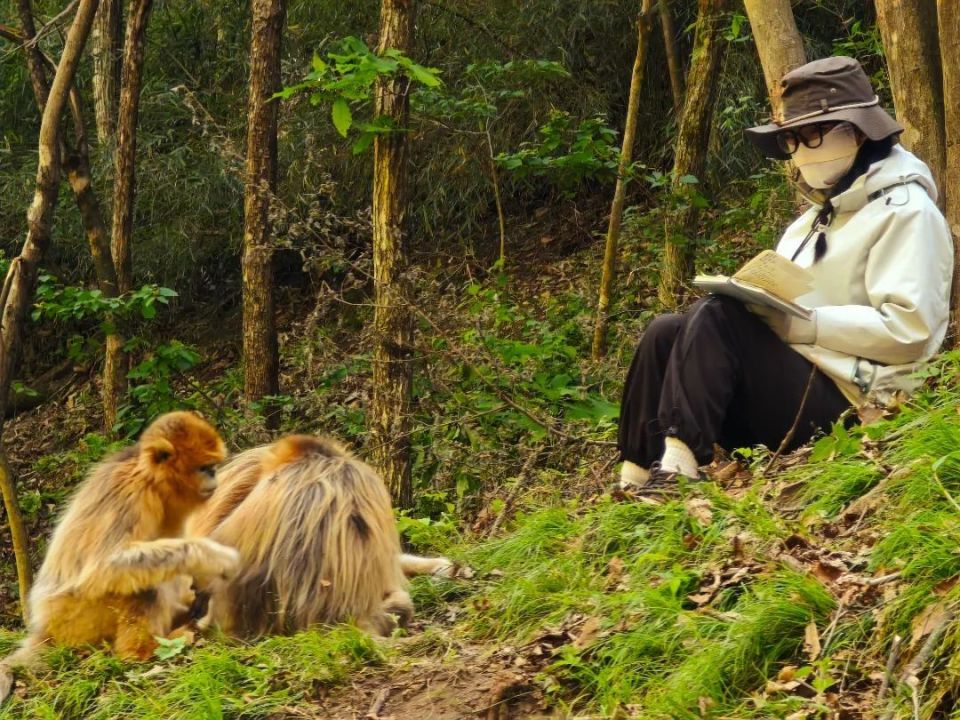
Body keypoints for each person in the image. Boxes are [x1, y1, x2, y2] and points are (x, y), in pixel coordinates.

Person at [616, 56, 953, 497]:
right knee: (666, 330)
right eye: (791, 139)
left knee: (720, 317)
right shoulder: (808, 223)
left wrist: (805, 325)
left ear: (856, 131)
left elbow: (913, 331)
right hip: (794, 388)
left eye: (811, 135)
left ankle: (680, 470)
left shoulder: (907, 212)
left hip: (854, 404)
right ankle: (636, 477)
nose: (799, 150)